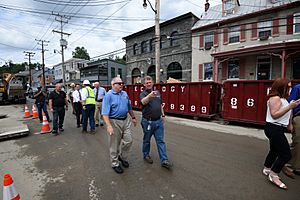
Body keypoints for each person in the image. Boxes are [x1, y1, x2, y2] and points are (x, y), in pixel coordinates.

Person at [262, 78, 300, 189]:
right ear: (281, 87)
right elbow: (274, 114)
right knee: (285, 154)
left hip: (278, 128)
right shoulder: (275, 98)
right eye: (288, 86)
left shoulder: (283, 99)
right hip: (273, 128)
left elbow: (287, 112)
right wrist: (290, 106)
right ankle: (274, 175)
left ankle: (267, 168)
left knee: (274, 150)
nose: (290, 89)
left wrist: (289, 123)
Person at [102, 77, 137, 174]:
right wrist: (109, 126)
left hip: (126, 120)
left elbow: (129, 107)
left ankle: (122, 157)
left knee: (129, 141)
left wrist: (133, 117)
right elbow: (105, 113)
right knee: (114, 145)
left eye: (122, 83)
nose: (122, 85)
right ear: (113, 85)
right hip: (114, 122)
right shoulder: (108, 96)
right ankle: (115, 163)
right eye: (119, 83)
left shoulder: (124, 94)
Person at [140, 76, 172, 169]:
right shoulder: (143, 94)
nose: (149, 84)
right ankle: (146, 155)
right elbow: (143, 102)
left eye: (150, 82)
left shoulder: (157, 93)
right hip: (147, 122)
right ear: (144, 84)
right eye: (147, 82)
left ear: (152, 83)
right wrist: (150, 96)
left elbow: (160, 105)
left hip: (158, 121)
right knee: (147, 140)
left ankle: (164, 160)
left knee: (160, 141)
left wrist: (163, 115)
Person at [285, 83, 300, 176]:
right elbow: (290, 105)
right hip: (299, 115)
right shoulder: (298, 88)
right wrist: (289, 123)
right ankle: (294, 165)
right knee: (298, 140)